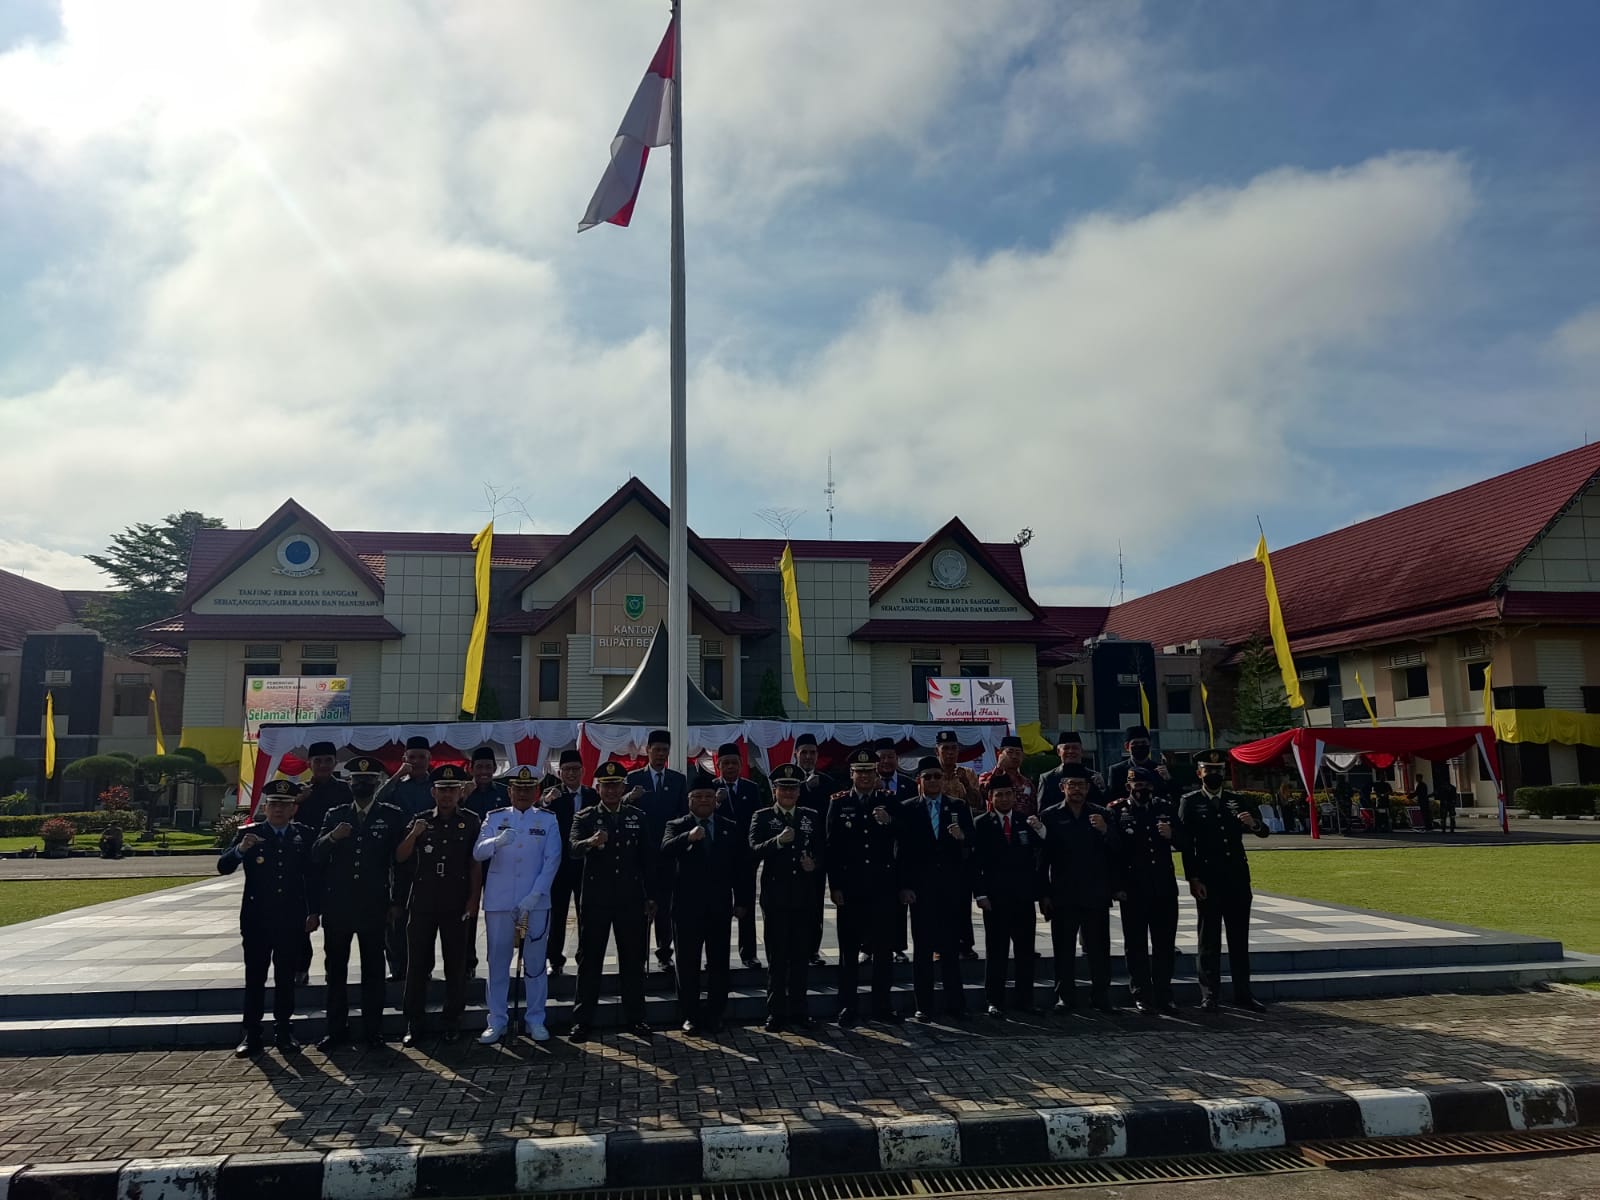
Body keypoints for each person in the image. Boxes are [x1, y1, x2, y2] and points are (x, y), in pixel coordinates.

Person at [218, 779, 320, 1057]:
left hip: (290, 918)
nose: (278, 809)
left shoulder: (303, 835)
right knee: (255, 977)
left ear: (293, 810)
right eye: (274, 804)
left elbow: (311, 876)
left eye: (284, 805)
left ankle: (284, 1031)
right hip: (257, 918)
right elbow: (222, 866)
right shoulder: (249, 833)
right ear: (265, 807)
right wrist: (241, 850)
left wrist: (314, 911)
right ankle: (251, 1034)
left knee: (286, 976)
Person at [311, 756, 406, 1050]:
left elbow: (400, 862)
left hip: (373, 904)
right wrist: (333, 838)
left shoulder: (391, 815)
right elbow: (315, 855)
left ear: (377, 783)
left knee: (373, 971)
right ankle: (336, 1029)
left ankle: (373, 1031)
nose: (362, 784)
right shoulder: (335, 815)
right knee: (335, 970)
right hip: (338, 905)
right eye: (357, 780)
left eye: (368, 780)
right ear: (349, 783)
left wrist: (396, 901)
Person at [394, 764, 483, 1046]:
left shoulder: (470, 821)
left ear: (460, 793)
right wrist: (413, 834)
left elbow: (475, 864)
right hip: (422, 901)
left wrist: (473, 899)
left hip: (456, 902)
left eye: (452, 790)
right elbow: (400, 857)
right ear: (433, 792)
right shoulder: (420, 820)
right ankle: (414, 1021)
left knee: (455, 964)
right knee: (417, 964)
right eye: (442, 790)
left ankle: (452, 1019)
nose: (447, 795)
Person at [473, 767, 562, 1045]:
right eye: (517, 789)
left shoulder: (548, 820)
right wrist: (496, 841)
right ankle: (497, 1020)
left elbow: (552, 860)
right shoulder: (495, 818)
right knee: (498, 963)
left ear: (536, 792)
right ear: (510, 791)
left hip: (535, 902)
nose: (523, 794)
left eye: (528, 789)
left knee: (535, 964)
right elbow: (478, 852)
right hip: (500, 901)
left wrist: (535, 896)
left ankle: (536, 1019)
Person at [568, 761, 655, 1041]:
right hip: (596, 899)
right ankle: (582, 1020)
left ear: (623, 788)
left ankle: (637, 1018)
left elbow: (647, 860)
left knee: (632, 959)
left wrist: (650, 896)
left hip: (629, 898)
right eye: (606, 786)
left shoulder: (637, 816)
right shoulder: (585, 817)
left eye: (616, 785)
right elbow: (572, 849)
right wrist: (590, 843)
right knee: (590, 960)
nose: (612, 790)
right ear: (598, 788)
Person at [1179, 749, 1269, 1013]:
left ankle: (1244, 993)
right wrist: (1193, 878)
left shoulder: (1237, 800)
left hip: (1237, 878)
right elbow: (1186, 845)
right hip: (1208, 879)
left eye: (1218, 771)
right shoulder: (1190, 801)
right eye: (1209, 771)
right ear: (1199, 774)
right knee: (1208, 940)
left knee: (1239, 938)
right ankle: (1209, 994)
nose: (1214, 775)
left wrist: (1253, 823)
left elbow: (1263, 831)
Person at [662, 769, 751, 1034]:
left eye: (708, 796)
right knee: (687, 963)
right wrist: (687, 837)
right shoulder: (676, 825)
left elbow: (742, 869)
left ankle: (715, 1013)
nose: (703, 800)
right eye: (698, 796)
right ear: (689, 799)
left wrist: (743, 900)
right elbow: (665, 851)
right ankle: (689, 1014)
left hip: (719, 907)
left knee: (718, 963)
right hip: (686, 908)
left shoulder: (729, 827)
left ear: (716, 800)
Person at [895, 755, 976, 1021]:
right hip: (921, 890)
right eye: (927, 777)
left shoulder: (958, 806)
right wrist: (904, 885)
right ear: (919, 781)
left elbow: (972, 844)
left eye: (937, 776)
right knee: (923, 951)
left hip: (951, 889)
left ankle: (956, 1003)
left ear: (943, 779)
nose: (932, 781)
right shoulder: (907, 808)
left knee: (951, 949)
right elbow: (901, 851)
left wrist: (962, 837)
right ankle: (924, 1005)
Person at [827, 749, 902, 1025]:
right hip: (851, 888)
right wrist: (834, 886)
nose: (866, 777)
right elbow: (831, 848)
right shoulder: (839, 802)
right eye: (860, 772)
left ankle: (882, 1005)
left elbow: (906, 834)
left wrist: (890, 821)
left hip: (882, 887)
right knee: (849, 951)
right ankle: (848, 1006)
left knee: (883, 950)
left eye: (870, 771)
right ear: (852, 775)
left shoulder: (889, 801)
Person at [749, 763, 824, 1031]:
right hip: (776, 898)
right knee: (777, 959)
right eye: (784, 788)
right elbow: (753, 850)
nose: (789, 793)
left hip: (804, 898)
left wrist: (813, 864)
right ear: (775, 790)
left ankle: (800, 1011)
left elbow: (822, 851)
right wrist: (778, 842)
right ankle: (776, 1012)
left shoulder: (810, 816)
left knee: (801, 957)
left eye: (793, 788)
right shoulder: (763, 816)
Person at [1037, 768, 1117, 1013]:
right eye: (1072, 785)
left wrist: (1105, 830)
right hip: (1064, 894)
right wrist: (1044, 894)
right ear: (1062, 787)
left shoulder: (1101, 814)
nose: (1077, 790)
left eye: (1081, 785)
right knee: (1063, 949)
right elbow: (1041, 859)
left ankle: (1101, 996)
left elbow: (1117, 851)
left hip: (1095, 893)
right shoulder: (1049, 816)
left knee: (1099, 950)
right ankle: (1065, 997)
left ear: (1088, 787)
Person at [1110, 766, 1183, 1016]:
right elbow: (1113, 851)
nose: (1141, 789)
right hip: (1133, 889)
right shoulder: (1117, 810)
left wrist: (1172, 834)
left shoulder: (1164, 807)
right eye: (1136, 785)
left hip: (1163, 887)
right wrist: (1117, 886)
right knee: (1136, 944)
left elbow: (1184, 841)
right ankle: (1141, 993)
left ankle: (1165, 994)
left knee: (1164, 944)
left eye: (1146, 785)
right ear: (1128, 786)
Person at [971, 776, 1041, 1017]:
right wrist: (980, 894)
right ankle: (994, 1000)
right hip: (995, 899)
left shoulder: (1026, 822)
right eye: (998, 794)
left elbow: (1040, 855)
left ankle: (1026, 999)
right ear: (990, 798)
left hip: (1022, 898)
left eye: (1008, 794)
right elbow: (975, 863)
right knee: (996, 952)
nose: (1004, 798)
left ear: (1014, 796)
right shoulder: (981, 823)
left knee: (1025, 952)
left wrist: (1041, 830)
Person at [625, 730, 688, 974]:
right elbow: (619, 810)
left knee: (665, 907)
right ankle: (638, 956)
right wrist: (630, 798)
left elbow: (683, 814)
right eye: (657, 749)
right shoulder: (633, 779)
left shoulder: (677, 779)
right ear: (647, 750)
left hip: (667, 855)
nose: (661, 754)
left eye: (665, 750)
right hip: (639, 855)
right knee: (639, 908)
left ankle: (664, 954)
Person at [376, 735, 434, 980]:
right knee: (396, 914)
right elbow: (376, 801)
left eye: (422, 757)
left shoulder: (437, 785)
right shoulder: (397, 786)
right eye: (413, 757)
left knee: (427, 918)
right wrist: (397, 775)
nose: (418, 761)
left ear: (430, 759)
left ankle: (424, 968)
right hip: (400, 857)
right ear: (405, 759)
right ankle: (397, 966)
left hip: (430, 857)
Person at [293, 740, 351, 985]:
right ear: (309, 764)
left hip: (337, 864)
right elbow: (282, 817)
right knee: (302, 917)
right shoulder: (301, 792)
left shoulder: (346, 790)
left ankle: (333, 970)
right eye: (318, 761)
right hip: (306, 864)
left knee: (335, 923)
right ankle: (300, 967)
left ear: (335, 762)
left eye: (328, 760)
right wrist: (299, 801)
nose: (324, 765)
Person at [713, 741, 765, 971]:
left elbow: (759, 821)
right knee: (719, 908)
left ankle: (749, 954)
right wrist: (716, 802)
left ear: (741, 764)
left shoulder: (750, 788)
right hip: (721, 860)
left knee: (746, 907)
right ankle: (717, 955)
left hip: (745, 858)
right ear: (718, 765)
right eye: (726, 764)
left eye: (734, 763)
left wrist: (755, 853)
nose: (731, 767)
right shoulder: (712, 789)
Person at [544, 749, 596, 979]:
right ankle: (555, 959)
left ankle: (585, 957)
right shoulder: (551, 794)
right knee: (557, 914)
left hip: (586, 863)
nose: (572, 774)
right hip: (559, 865)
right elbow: (535, 815)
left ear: (583, 771)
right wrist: (545, 801)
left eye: (576, 769)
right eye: (567, 770)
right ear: (560, 772)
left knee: (588, 913)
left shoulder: (592, 795)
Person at [936, 729, 984, 961]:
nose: (950, 753)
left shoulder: (967, 773)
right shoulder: (931, 774)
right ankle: (939, 944)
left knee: (962, 898)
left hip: (962, 841)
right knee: (938, 899)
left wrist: (967, 784)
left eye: (954, 749)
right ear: (938, 751)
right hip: (938, 844)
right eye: (945, 749)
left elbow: (979, 804)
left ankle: (965, 943)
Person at [794, 733, 836, 967]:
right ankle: (795, 950)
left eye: (812, 752)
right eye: (804, 752)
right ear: (796, 755)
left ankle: (813, 950)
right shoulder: (786, 779)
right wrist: (803, 788)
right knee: (792, 904)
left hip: (818, 855)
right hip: (791, 853)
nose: (808, 757)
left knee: (815, 904)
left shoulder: (828, 783)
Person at [873, 736, 914, 965]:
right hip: (875, 853)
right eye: (882, 758)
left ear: (897, 759)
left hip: (902, 852)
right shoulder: (867, 782)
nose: (886, 762)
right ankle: (868, 946)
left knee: (900, 902)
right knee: (872, 903)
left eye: (890, 757)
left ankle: (898, 946)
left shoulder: (909, 784)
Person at [1037, 731, 1107, 811]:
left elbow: (1103, 806)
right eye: (1066, 748)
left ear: (1081, 751)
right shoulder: (1047, 778)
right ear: (1058, 752)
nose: (1071, 751)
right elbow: (1042, 811)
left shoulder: (1094, 777)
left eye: (1075, 748)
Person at [1108, 726, 1173, 804]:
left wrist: (1169, 780)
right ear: (1127, 746)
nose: (1140, 746)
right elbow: (1111, 797)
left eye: (1143, 743)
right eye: (1135, 743)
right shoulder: (1117, 770)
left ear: (1150, 745)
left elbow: (1173, 796)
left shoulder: (1160, 770)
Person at [979, 735, 1038, 819]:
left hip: (1021, 827)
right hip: (996, 825)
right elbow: (984, 793)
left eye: (1018, 753)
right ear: (999, 754)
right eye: (1010, 752)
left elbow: (1034, 808)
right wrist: (999, 768)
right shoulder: (986, 777)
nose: (1014, 756)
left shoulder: (1027, 783)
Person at [463, 746, 509, 822]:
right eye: (479, 767)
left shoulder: (505, 792)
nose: (484, 771)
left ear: (494, 769)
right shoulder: (462, 792)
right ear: (471, 769)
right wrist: (463, 799)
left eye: (488, 767)